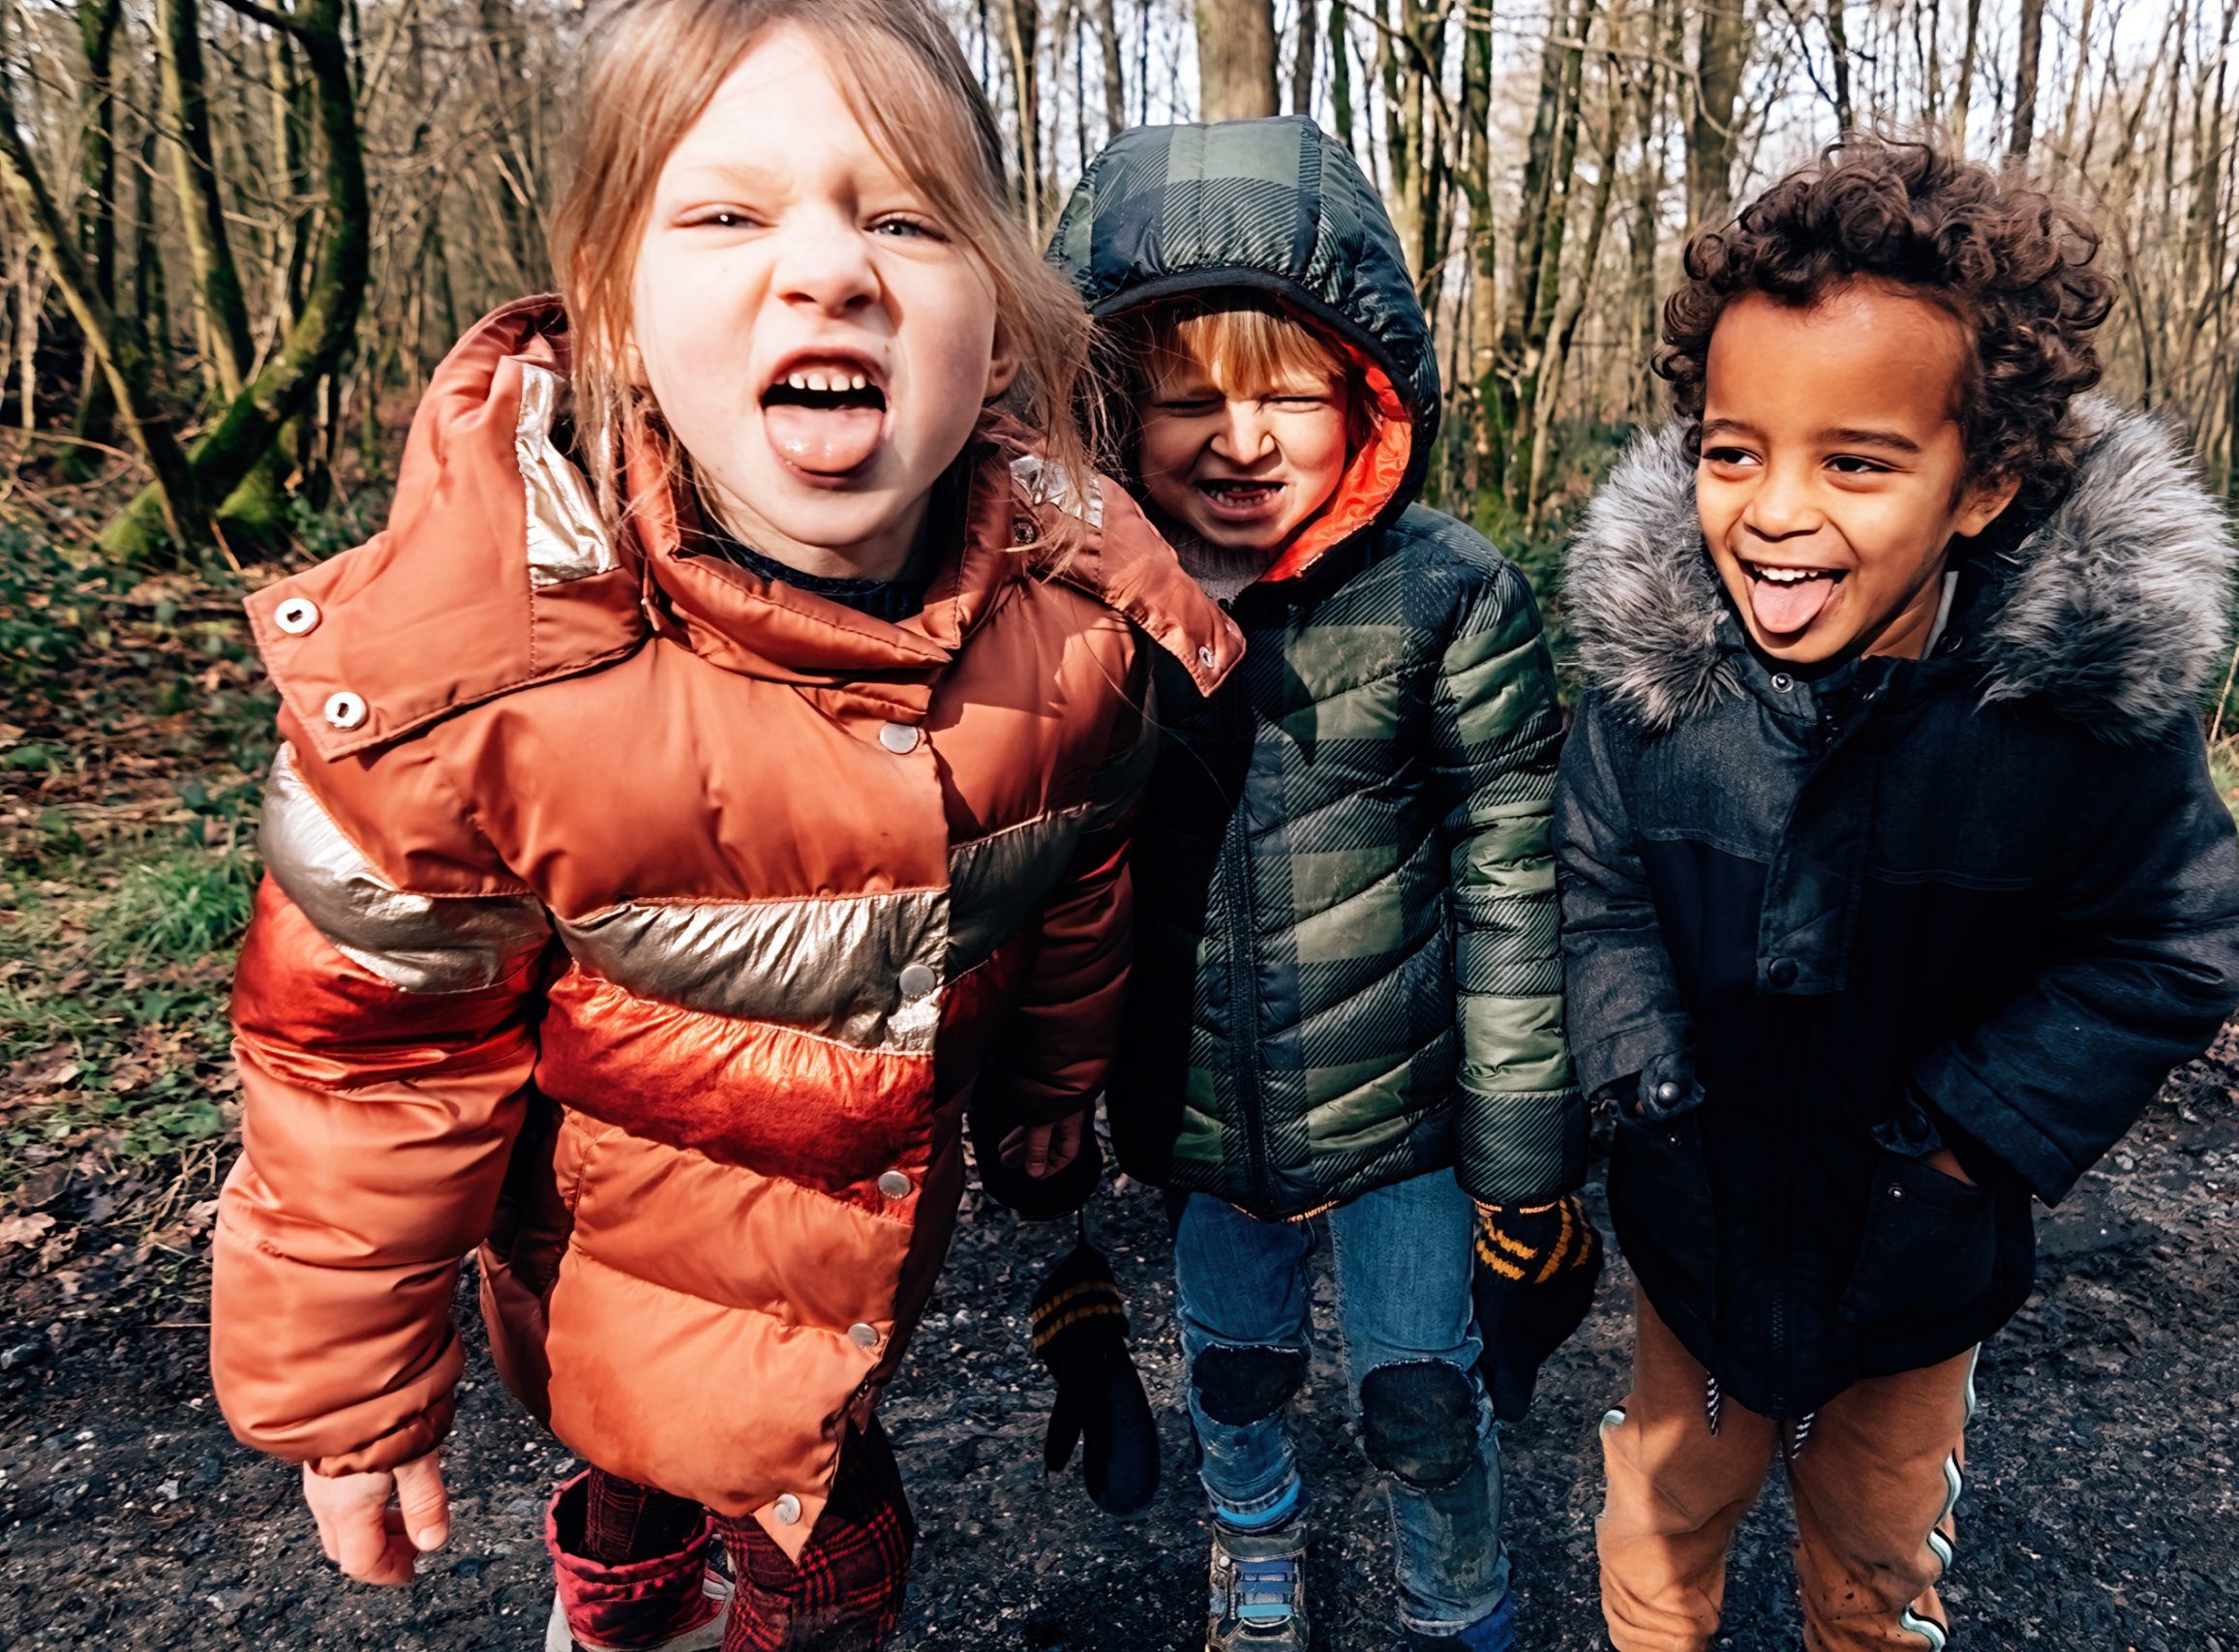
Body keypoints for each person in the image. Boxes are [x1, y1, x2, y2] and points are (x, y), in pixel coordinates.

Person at [205, 2, 1239, 1646]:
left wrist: (1050, 1099)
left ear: (1000, 324)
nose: (829, 269)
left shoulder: (1073, 635)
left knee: (823, 1554)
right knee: (639, 1496)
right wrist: (349, 1397)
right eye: (729, 214)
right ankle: (620, 1602)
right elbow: (367, 1062)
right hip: (605, 1272)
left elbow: (1077, 891)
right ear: (614, 306)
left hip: (862, 1273)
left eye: (904, 218)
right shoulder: (480, 679)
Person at [1556, 136, 2239, 1651]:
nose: (1774, 512)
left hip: (1916, 1254)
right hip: (1701, 1226)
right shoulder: (1654, 692)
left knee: (1876, 1556)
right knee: (1660, 1524)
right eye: (1735, 451)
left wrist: (1957, 1145)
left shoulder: (2067, 721)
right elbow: (1596, 876)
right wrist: (1641, 1075)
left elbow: (2176, 939)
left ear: (1980, 485)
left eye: (1856, 462)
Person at [1048, 116, 1597, 1652]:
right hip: (1197, 1107)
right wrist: (1045, 1175)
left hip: (1406, 1114)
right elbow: (1029, 869)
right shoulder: (1076, 602)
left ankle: (1458, 1584)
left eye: (1291, 389)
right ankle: (1258, 1546)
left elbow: (1509, 886)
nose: (1242, 437)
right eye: (1187, 394)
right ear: (1108, 402)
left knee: (1425, 1388)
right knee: (1231, 1366)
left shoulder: (1452, 593)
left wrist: (1525, 1159)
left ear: (1368, 392)